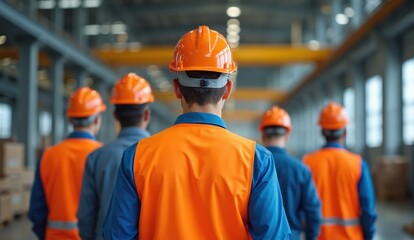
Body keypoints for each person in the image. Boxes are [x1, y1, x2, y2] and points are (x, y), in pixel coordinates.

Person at [103, 25, 291, 239]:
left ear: (176, 88)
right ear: (227, 89)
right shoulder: (256, 160)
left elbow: (117, 235)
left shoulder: (137, 157)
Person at [77, 73, 154, 240]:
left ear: (115, 116)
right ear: (147, 115)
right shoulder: (160, 156)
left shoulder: (96, 158)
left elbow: (86, 217)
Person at [29, 87, 106, 240]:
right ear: (97, 119)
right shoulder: (103, 156)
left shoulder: (49, 155)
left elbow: (36, 211)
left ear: (70, 119)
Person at [303, 102, 377, 240]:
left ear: (322, 131)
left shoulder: (307, 163)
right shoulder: (358, 164)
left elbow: (303, 207)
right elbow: (368, 210)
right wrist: (368, 236)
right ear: (345, 132)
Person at [260, 106, 321, 240]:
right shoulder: (301, 169)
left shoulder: (253, 166)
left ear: (263, 134)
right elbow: (313, 211)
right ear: (287, 135)